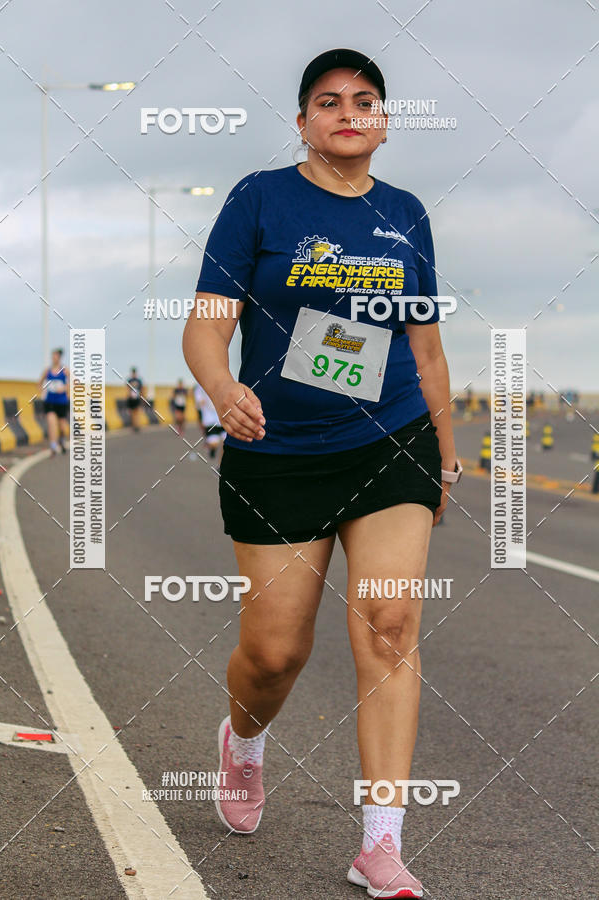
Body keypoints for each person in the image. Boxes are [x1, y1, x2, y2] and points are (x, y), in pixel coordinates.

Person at [183, 48, 461, 900]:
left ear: (384, 122)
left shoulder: (405, 214)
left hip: (390, 439)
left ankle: (381, 844)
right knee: (275, 652)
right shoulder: (259, 198)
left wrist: (445, 452)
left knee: (390, 623)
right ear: (303, 121)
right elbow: (207, 324)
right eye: (329, 101)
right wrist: (222, 389)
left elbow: (425, 347)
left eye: (365, 100)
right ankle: (244, 739)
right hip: (278, 449)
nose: (348, 112)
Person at [39, 348, 69, 455]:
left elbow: (74, 383)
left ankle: (61, 440)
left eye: (56, 356)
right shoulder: (47, 371)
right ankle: (53, 446)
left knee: (62, 427)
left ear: (59, 358)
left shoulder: (64, 370)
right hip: (50, 401)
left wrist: (64, 388)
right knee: (51, 423)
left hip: (62, 402)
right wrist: (42, 391)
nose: (54, 358)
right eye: (53, 356)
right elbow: (40, 383)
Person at [194, 382, 225, 465]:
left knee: (225, 444)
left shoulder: (222, 383)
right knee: (214, 443)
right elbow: (199, 403)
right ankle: (211, 447)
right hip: (210, 420)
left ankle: (220, 466)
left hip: (222, 419)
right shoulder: (200, 387)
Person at [126, 367, 143, 431]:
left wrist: (142, 397)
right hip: (131, 399)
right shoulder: (130, 380)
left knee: (137, 412)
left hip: (137, 398)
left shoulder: (138, 380)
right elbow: (127, 389)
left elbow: (141, 389)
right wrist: (128, 396)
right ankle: (134, 426)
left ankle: (137, 425)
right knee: (132, 413)